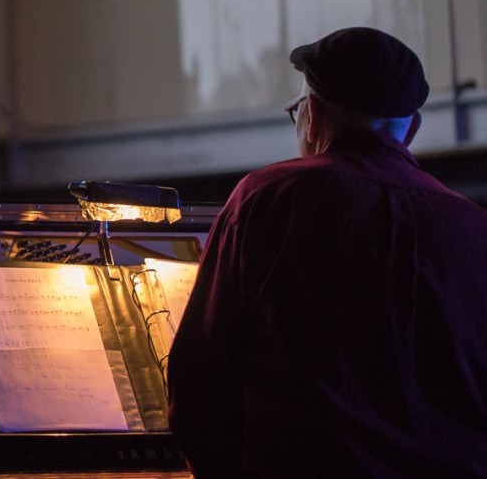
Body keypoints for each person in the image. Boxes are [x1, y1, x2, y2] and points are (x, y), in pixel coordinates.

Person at [167, 26, 487, 478]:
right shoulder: (474, 227)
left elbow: (200, 387)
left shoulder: (266, 200)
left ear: (312, 114)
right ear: (411, 128)